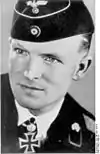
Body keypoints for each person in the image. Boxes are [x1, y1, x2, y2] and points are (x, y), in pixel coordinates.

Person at [1, 0, 95, 153]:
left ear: (80, 68)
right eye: (20, 51)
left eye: (50, 59)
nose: (30, 74)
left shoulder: (91, 139)